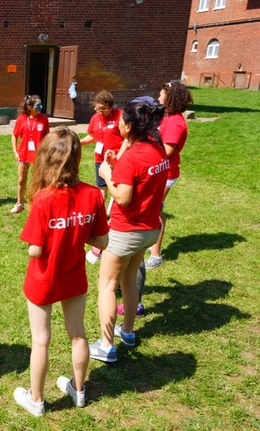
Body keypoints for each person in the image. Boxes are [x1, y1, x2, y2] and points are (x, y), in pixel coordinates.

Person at [13, 126, 109, 416]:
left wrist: (56, 235)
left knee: (41, 339)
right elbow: (102, 241)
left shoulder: (43, 200)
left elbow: (35, 249)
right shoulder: (93, 194)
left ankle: (37, 400)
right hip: (74, 275)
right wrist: (76, 234)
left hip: (42, 279)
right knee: (78, 334)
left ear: (47, 159)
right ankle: (79, 391)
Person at [89, 96, 168, 363]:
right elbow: (139, 177)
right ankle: (129, 331)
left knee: (107, 285)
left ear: (129, 126)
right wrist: (117, 162)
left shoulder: (134, 157)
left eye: (123, 119)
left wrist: (108, 175)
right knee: (130, 279)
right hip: (148, 230)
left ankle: (106, 345)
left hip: (126, 230)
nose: (119, 121)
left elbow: (122, 198)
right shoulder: (156, 148)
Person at [145, 81, 193, 269]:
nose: (158, 98)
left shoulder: (175, 123)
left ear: (170, 97)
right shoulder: (167, 117)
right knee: (154, 209)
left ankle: (156, 255)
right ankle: (152, 244)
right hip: (158, 170)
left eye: (161, 94)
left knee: (155, 211)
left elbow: (167, 151)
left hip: (166, 173)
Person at [80, 90, 125, 200]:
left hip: (117, 158)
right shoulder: (95, 117)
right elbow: (92, 136)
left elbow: (127, 139)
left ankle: (117, 215)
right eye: (97, 109)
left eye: (103, 109)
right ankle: (101, 215)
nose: (100, 112)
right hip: (100, 159)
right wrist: (79, 142)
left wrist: (118, 157)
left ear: (111, 106)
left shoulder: (121, 115)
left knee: (118, 188)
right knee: (101, 187)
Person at [9, 95, 50, 214]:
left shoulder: (44, 119)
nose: (40, 107)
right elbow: (14, 135)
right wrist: (15, 152)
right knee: (21, 180)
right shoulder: (21, 119)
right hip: (23, 154)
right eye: (38, 105)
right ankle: (19, 203)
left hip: (39, 155)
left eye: (41, 105)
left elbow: (48, 137)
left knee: (38, 181)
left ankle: (36, 204)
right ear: (29, 107)